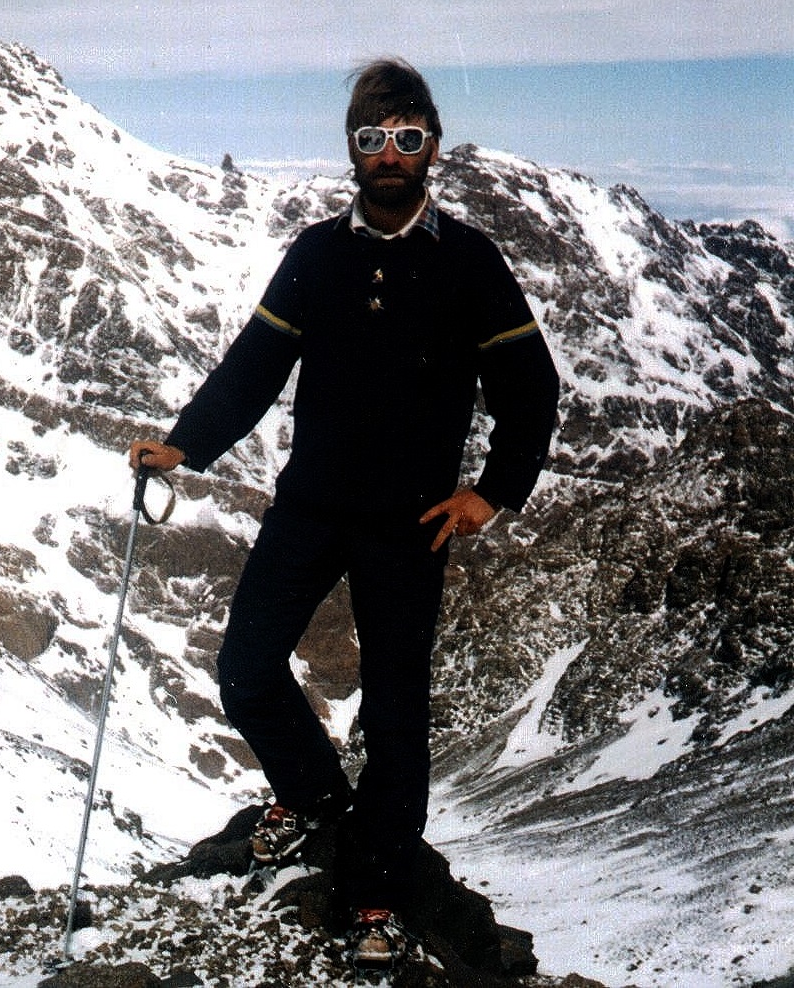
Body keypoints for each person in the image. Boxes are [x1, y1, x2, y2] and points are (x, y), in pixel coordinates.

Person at [130, 58, 559, 968]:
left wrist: (493, 492)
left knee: (397, 715)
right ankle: (318, 799)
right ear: (353, 152)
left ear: (433, 148)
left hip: (411, 523)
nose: (390, 155)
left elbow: (531, 390)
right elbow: (253, 365)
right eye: (373, 139)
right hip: (311, 505)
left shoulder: (470, 262)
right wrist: (185, 444)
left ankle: (374, 900)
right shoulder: (317, 254)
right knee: (245, 667)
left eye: (408, 138)